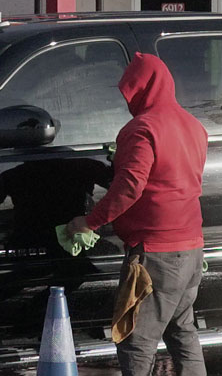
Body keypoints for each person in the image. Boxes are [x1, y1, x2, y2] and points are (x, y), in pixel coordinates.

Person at [64, 54, 209, 376]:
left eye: (130, 91)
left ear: (142, 89)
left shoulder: (142, 129)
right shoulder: (194, 126)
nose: (128, 100)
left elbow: (130, 186)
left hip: (155, 253)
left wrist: (89, 222)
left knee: (135, 340)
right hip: (192, 247)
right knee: (182, 330)